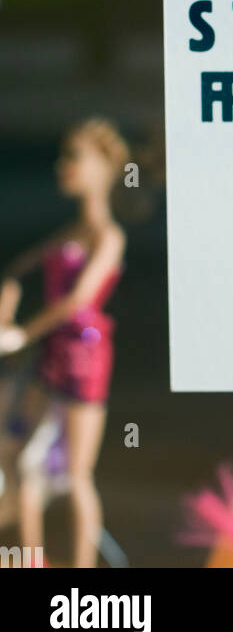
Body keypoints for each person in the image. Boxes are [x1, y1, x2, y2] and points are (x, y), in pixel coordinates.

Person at [0, 118, 128, 568]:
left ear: (101, 169)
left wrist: (21, 332)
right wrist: (8, 305)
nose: (63, 166)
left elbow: (79, 299)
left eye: (74, 157)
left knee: (76, 474)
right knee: (26, 461)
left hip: (85, 357)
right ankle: (30, 560)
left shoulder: (107, 236)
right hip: (52, 356)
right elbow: (19, 269)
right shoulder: (69, 233)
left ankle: (81, 570)